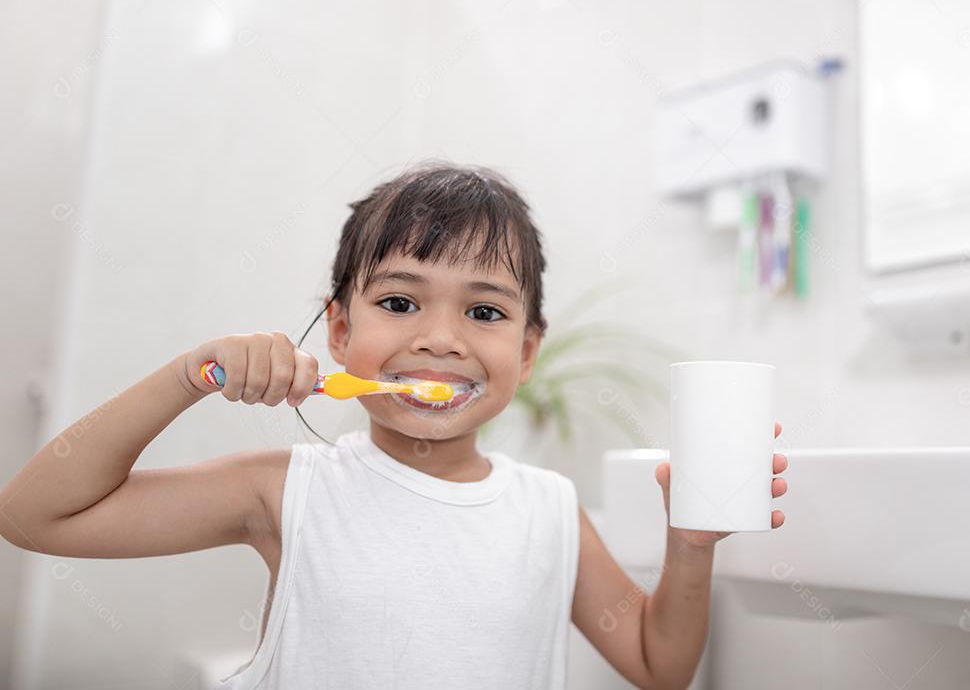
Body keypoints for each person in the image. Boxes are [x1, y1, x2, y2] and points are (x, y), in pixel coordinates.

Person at [0, 161, 788, 689]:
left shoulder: (549, 511)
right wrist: (192, 376)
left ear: (528, 348)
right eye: (400, 302)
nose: (440, 338)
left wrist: (689, 548)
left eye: (484, 311)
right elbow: (36, 515)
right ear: (339, 331)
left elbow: (660, 664)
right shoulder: (281, 491)